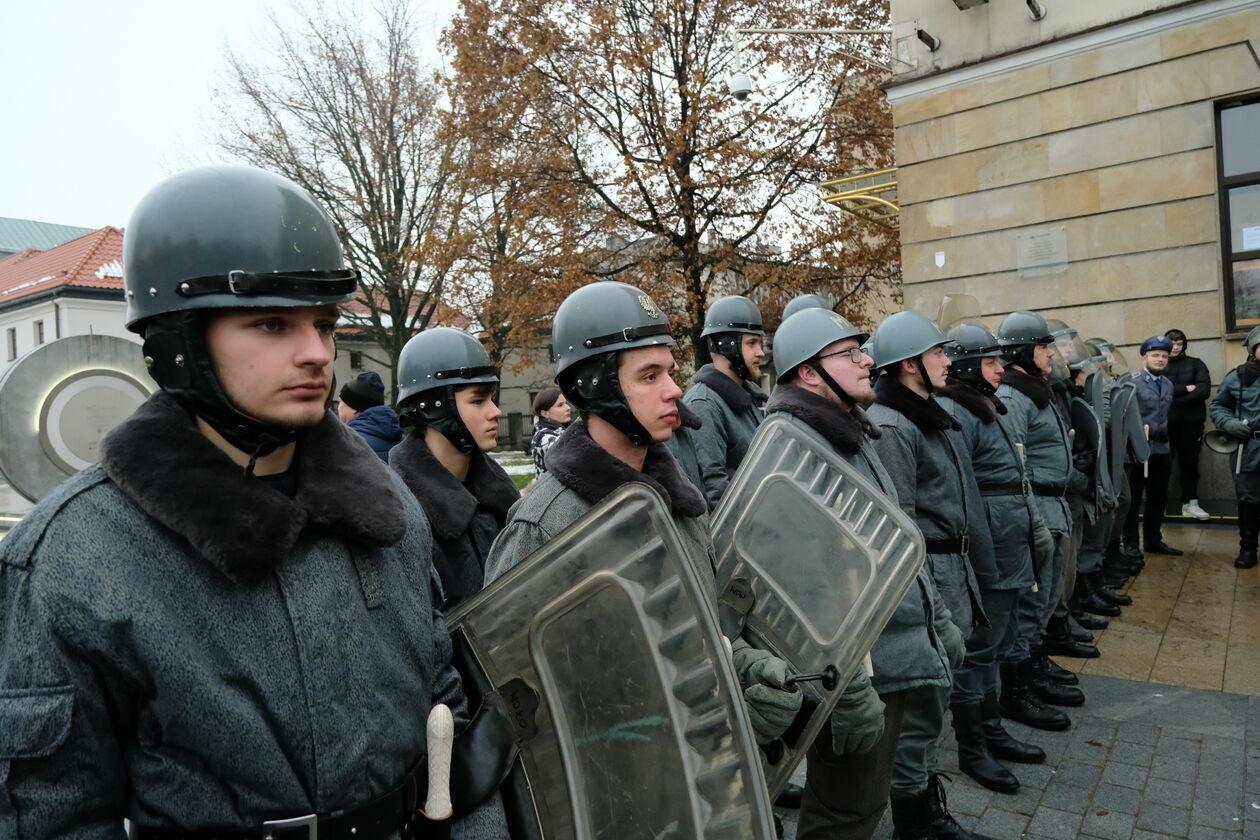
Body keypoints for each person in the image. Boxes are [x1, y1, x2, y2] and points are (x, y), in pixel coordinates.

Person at [0, 166, 503, 838]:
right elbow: (53, 817)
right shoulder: (72, 559)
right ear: (178, 344)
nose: (317, 354)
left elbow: (449, 729)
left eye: (323, 325)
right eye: (271, 323)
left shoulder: (388, 511)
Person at [484, 280, 803, 763]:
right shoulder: (546, 527)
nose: (676, 389)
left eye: (671, 371)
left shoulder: (678, 503)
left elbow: (696, 633)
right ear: (596, 385)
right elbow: (514, 693)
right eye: (649, 376)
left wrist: (741, 667)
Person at [768, 308, 967, 840]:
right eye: (850, 353)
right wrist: (849, 690)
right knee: (844, 814)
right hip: (860, 675)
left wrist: (937, 618)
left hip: (889, 661)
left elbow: (894, 541)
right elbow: (804, 589)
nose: (868, 360)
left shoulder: (846, 432)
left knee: (864, 805)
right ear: (810, 373)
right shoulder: (794, 450)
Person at [865, 311, 993, 840]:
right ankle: (915, 823)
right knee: (921, 706)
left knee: (934, 699)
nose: (949, 360)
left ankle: (921, 813)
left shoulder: (922, 413)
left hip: (948, 568)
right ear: (910, 364)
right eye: (938, 353)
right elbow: (900, 523)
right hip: (927, 573)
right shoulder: (895, 424)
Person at [935, 323, 1047, 794]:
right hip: (990, 552)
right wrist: (981, 562)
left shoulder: (983, 407)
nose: (1001, 369)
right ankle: (973, 743)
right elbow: (964, 496)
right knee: (978, 649)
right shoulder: (955, 412)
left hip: (1009, 545)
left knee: (996, 643)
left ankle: (992, 725)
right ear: (965, 367)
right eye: (989, 362)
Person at [391, 327, 520, 613]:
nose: (495, 411)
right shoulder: (399, 515)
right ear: (435, 408)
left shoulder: (502, 500)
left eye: (491, 398)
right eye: (478, 400)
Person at [995, 311, 1081, 733]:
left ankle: (1034, 665)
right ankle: (1017, 687)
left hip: (1054, 507)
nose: (1052, 355)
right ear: (1024, 352)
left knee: (1045, 599)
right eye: (1045, 347)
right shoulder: (1014, 398)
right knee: (1030, 604)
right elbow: (1015, 466)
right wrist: (1032, 521)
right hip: (1038, 510)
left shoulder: (1035, 392)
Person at [669, 294, 768, 509]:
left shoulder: (746, 396)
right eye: (752, 343)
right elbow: (715, 490)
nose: (760, 352)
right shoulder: (704, 404)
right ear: (727, 346)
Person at [1124, 336, 1180, 556]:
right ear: (1144, 357)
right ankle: (1130, 543)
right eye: (1155, 355)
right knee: (1134, 498)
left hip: (1161, 449)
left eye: (1165, 356)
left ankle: (1153, 540)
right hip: (1138, 449)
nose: (1161, 359)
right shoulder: (1131, 381)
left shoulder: (1167, 384)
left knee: (1158, 497)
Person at [1209, 326, 1260, 568]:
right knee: (1249, 499)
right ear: (1253, 349)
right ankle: (1248, 549)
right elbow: (1219, 406)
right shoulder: (1238, 376)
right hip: (1249, 448)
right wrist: (1229, 423)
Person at [1165, 328, 1212, 520]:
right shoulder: (1160, 364)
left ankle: (1190, 503)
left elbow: (1203, 390)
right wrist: (1185, 389)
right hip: (1165, 424)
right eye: (1172, 343)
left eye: (1179, 343)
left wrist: (1172, 398)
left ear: (1184, 344)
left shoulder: (1196, 364)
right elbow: (1156, 392)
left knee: (1190, 464)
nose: (1175, 347)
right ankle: (1158, 504)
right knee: (1161, 464)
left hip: (1191, 423)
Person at [339, 370, 403, 461]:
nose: (338, 407)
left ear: (354, 408)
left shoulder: (348, 444)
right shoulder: (404, 441)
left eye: (340, 402)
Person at [529, 386, 571, 474]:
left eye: (566, 403)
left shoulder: (560, 430)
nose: (568, 408)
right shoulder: (543, 436)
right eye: (560, 405)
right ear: (545, 413)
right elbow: (568, 455)